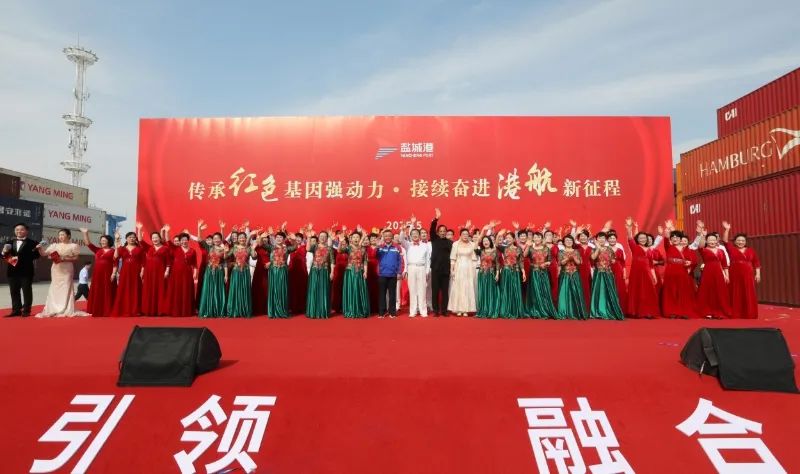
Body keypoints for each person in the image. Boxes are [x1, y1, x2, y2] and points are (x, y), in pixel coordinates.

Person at [35, 229, 88, 318]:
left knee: (66, 287)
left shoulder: (73, 246)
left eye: (63, 234)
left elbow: (76, 258)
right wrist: (40, 248)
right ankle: (54, 308)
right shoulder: (54, 246)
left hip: (67, 269)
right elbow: (44, 254)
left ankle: (65, 308)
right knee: (55, 287)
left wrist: (64, 259)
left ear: (68, 236)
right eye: (59, 235)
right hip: (56, 269)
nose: (61, 236)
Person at [721, 221, 761, 319]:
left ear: (745, 242)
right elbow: (725, 241)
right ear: (735, 242)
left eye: (743, 240)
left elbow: (756, 263)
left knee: (748, 292)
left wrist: (758, 274)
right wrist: (727, 229)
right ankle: (737, 313)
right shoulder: (732, 249)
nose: (740, 242)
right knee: (736, 292)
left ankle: (749, 313)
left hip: (748, 274)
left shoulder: (751, 251)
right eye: (738, 240)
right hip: (735, 274)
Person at [2, 223, 41, 317]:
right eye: (17, 230)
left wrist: (20, 258)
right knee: (14, 291)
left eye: (21, 229)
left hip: (26, 271)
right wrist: (4, 251)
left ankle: (26, 310)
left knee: (26, 291)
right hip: (12, 271)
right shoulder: (9, 242)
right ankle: (16, 310)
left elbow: (36, 256)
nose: (19, 231)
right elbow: (3, 256)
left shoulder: (33, 243)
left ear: (26, 231)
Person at [624, 217, 660, 318]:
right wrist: (629, 228)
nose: (642, 239)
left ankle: (649, 312)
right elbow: (630, 238)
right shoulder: (634, 247)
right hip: (636, 274)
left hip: (647, 273)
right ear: (637, 239)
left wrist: (654, 276)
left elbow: (651, 265)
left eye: (644, 238)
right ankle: (637, 312)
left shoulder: (649, 250)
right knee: (637, 292)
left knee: (648, 292)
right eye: (640, 238)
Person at [660, 223, 698, 319]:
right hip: (671, 272)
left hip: (683, 272)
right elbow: (666, 238)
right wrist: (668, 228)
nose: (674, 238)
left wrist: (690, 263)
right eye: (673, 237)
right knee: (671, 292)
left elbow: (693, 261)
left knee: (683, 292)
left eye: (677, 237)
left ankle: (683, 311)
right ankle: (671, 311)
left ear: (681, 239)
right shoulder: (669, 247)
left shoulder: (687, 249)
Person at [80, 229, 117, 317]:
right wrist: (85, 233)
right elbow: (88, 243)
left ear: (109, 241)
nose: (102, 242)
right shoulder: (97, 250)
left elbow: (115, 263)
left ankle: (108, 309)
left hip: (108, 273)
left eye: (104, 240)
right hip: (98, 275)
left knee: (108, 290)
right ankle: (97, 309)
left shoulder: (113, 251)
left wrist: (114, 273)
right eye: (101, 240)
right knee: (98, 290)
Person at [589, 232, 624, 320]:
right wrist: (598, 248)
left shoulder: (609, 249)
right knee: (598, 292)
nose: (601, 240)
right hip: (598, 273)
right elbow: (593, 258)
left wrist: (609, 261)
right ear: (596, 239)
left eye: (603, 238)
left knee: (609, 292)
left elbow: (613, 261)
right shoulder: (594, 249)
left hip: (608, 273)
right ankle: (597, 311)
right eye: (600, 238)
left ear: (606, 240)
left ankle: (609, 310)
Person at [696, 231, 731, 319]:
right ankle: (707, 311)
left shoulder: (721, 251)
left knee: (719, 292)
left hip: (719, 273)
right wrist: (702, 236)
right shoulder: (704, 250)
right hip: (707, 272)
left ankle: (719, 312)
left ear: (717, 240)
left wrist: (727, 275)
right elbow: (700, 246)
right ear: (706, 241)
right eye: (710, 240)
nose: (712, 242)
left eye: (714, 240)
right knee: (708, 292)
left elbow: (724, 265)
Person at [165, 228, 198, 316]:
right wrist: (167, 231)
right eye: (182, 240)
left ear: (188, 240)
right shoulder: (175, 249)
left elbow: (194, 264)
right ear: (180, 241)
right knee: (177, 291)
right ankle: (176, 311)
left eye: (185, 240)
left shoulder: (192, 251)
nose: (184, 241)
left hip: (187, 274)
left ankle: (186, 311)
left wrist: (195, 273)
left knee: (186, 291)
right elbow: (168, 241)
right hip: (176, 274)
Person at [111, 230, 145, 317]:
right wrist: (117, 244)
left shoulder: (140, 249)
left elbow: (143, 262)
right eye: (130, 237)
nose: (132, 239)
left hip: (136, 272)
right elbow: (115, 258)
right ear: (126, 239)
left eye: (134, 237)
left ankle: (136, 310)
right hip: (125, 272)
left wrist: (142, 271)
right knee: (124, 289)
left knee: (135, 289)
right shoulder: (122, 248)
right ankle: (123, 309)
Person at [525, 232, 558, 319]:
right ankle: (535, 311)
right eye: (535, 237)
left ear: (542, 239)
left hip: (544, 273)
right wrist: (528, 246)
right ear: (533, 239)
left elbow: (550, 260)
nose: (536, 239)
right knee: (535, 291)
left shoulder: (546, 248)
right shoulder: (531, 248)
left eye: (538, 237)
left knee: (544, 291)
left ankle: (545, 310)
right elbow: (524, 255)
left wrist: (545, 263)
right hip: (534, 273)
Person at [139, 227, 171, 316]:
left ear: (160, 238)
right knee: (149, 289)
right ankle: (149, 310)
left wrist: (167, 271)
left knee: (160, 290)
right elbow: (140, 241)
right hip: (149, 273)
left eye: (156, 237)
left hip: (160, 272)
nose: (155, 239)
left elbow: (168, 262)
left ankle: (160, 310)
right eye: (153, 238)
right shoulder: (149, 248)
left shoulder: (165, 248)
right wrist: (139, 229)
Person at [400, 226, 431, 318]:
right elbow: (401, 239)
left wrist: (427, 271)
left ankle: (423, 311)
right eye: (413, 234)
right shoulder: (408, 245)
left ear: (420, 235)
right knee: (412, 290)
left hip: (421, 268)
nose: (415, 235)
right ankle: (413, 311)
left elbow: (428, 259)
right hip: (411, 268)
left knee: (422, 290)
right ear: (410, 236)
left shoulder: (425, 246)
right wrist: (402, 230)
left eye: (416, 234)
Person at [339, 231, 370, 318]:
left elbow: (365, 262)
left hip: (360, 272)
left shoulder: (363, 249)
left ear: (360, 239)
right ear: (351, 239)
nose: (356, 239)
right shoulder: (348, 248)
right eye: (354, 237)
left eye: (357, 237)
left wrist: (365, 272)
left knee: (359, 290)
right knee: (351, 290)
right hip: (350, 272)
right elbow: (340, 250)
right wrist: (341, 242)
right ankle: (350, 310)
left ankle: (361, 310)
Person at [496, 230, 526, 319]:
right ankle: (505, 310)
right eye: (506, 238)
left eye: (509, 238)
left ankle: (516, 310)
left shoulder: (518, 249)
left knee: (515, 290)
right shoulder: (504, 248)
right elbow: (496, 244)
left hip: (516, 272)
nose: (508, 239)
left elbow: (521, 261)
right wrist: (499, 235)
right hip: (506, 272)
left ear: (514, 239)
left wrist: (523, 272)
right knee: (505, 290)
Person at [448, 228, 477, 316]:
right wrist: (452, 270)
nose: (465, 236)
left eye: (467, 234)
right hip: (458, 268)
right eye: (463, 234)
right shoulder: (455, 244)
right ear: (460, 235)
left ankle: (466, 309)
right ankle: (458, 309)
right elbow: (453, 258)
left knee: (467, 287)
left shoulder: (472, 244)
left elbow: (474, 258)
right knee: (458, 287)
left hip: (469, 268)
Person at [429, 208, 453, 316]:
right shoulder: (434, 239)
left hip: (446, 270)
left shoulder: (450, 243)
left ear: (446, 232)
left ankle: (444, 310)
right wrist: (436, 219)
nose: (442, 233)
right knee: (435, 291)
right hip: (435, 269)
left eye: (444, 231)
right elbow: (432, 229)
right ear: (438, 232)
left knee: (445, 292)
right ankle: (435, 310)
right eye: (441, 231)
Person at [198, 232, 228, 318]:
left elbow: (225, 263)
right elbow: (199, 240)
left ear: (221, 239)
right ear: (212, 240)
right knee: (209, 290)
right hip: (209, 272)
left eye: (218, 238)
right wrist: (199, 228)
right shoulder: (209, 247)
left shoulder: (223, 249)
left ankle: (219, 311)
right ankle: (208, 310)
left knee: (218, 291)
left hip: (219, 272)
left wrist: (226, 275)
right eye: (215, 238)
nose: (216, 240)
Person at [557, 235, 586, 319]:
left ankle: (576, 312)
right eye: (567, 240)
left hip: (575, 274)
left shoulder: (576, 251)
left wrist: (573, 258)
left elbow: (579, 263)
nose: (569, 242)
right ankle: (563, 312)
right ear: (563, 242)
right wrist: (567, 258)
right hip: (565, 274)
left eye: (570, 240)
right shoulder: (561, 252)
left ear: (573, 242)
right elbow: (560, 263)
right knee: (564, 293)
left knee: (576, 293)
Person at [306, 230, 333, 318]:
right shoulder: (315, 246)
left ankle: (323, 311)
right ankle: (313, 311)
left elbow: (332, 261)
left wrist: (332, 272)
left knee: (323, 290)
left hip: (324, 271)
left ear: (327, 238)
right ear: (318, 237)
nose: (322, 238)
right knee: (314, 290)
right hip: (314, 271)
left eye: (324, 236)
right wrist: (309, 237)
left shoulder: (329, 248)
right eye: (321, 236)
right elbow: (307, 249)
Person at [376, 229, 403, 318]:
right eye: (386, 236)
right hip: (382, 274)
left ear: (392, 237)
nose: (387, 237)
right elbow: (375, 255)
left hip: (393, 274)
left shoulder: (397, 247)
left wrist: (399, 272)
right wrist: (377, 247)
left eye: (389, 236)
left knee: (392, 295)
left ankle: (392, 312)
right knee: (382, 294)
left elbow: (400, 261)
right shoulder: (380, 247)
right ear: (383, 237)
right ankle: (382, 312)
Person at [226, 233, 253, 317]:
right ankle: (234, 310)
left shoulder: (248, 248)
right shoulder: (234, 248)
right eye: (240, 238)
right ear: (237, 239)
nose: (242, 239)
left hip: (245, 271)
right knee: (235, 289)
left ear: (246, 238)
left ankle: (245, 310)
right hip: (236, 271)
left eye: (243, 238)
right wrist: (225, 251)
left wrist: (253, 248)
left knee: (245, 289)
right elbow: (225, 257)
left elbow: (254, 256)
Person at [475, 235, 500, 319]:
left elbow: (497, 263)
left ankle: (491, 310)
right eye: (484, 241)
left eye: (487, 240)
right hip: (482, 274)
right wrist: (481, 234)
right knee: (483, 292)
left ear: (490, 242)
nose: (485, 242)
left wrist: (497, 274)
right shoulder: (481, 251)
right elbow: (475, 248)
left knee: (491, 292)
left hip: (491, 274)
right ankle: (483, 310)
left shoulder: (494, 251)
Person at [288, 232, 308, 316]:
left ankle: (302, 307)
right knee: (292, 289)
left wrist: (308, 236)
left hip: (302, 270)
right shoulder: (290, 247)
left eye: (300, 237)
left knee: (302, 288)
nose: (298, 239)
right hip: (292, 270)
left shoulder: (305, 247)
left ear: (302, 239)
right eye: (296, 237)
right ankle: (292, 307)